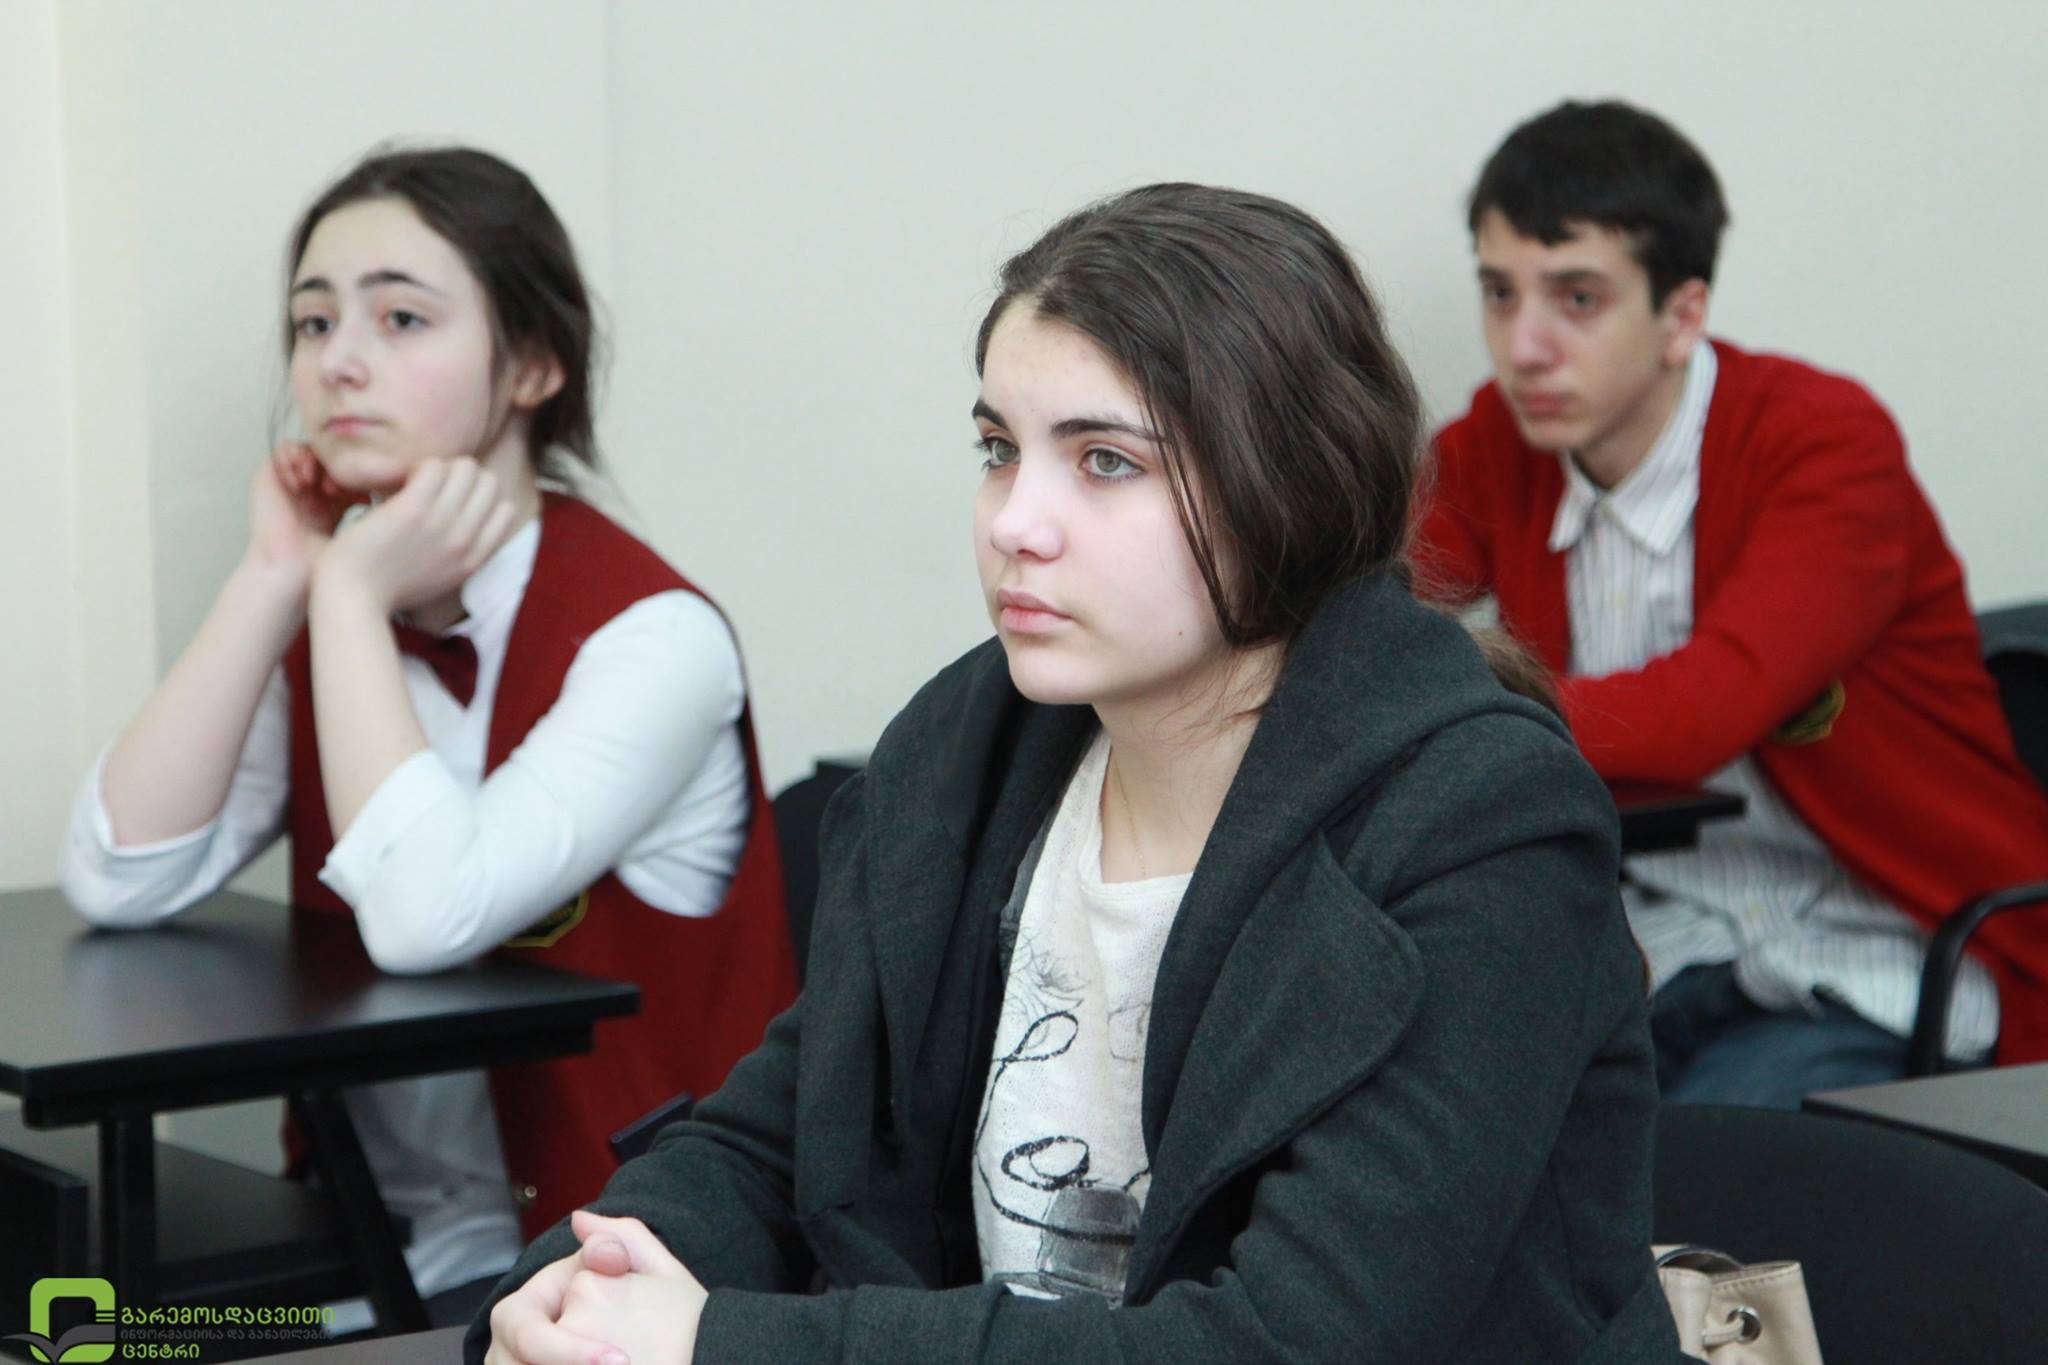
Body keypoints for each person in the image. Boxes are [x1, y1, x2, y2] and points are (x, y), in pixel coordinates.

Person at [470, 184, 1679, 1364]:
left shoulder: (1480, 823)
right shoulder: (965, 752)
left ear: (1289, 484)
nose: (1013, 522)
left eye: (1104, 461)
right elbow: (783, 1142)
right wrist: (579, 1289)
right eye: (998, 449)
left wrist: (716, 1344)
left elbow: (1297, 1339)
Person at [60, 146, 798, 1319]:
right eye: (313, 322)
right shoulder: (333, 608)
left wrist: (348, 595)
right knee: (66, 1303)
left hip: (609, 1271)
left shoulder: (654, 639)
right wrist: (272, 576)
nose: (337, 362)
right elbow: (119, 875)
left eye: (401, 318)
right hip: (369, 1246)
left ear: (534, 364)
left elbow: (424, 917)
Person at [1413, 100, 2048, 1108]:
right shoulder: (1504, 440)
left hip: (1877, 954)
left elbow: (1699, 712)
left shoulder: (1822, 442)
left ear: (1680, 317)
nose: (1522, 345)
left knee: (1695, 1166)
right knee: (1443, 1112)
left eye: (1576, 298)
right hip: (1659, 946)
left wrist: (1440, 703)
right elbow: (1350, 602)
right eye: (1499, 293)